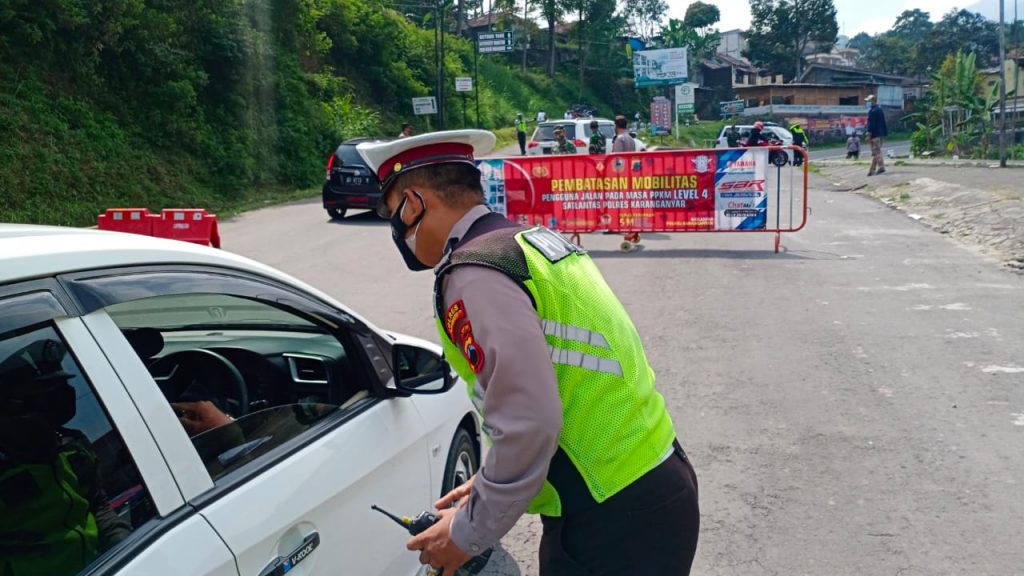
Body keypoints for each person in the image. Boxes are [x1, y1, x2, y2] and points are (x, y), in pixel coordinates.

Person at [355, 129, 699, 576]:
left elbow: (529, 421)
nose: (396, 230)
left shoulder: (474, 273)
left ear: (414, 203)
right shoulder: (533, 243)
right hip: (654, 482)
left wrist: (466, 534)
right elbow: (573, 382)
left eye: (392, 212)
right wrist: (487, 481)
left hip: (609, 519)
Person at [0, 339, 131, 576]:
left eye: (61, 391)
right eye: (46, 396)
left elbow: (98, 506)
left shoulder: (73, 447)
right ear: (10, 407)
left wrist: (123, 546)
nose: (61, 402)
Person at [865, 95, 888, 176]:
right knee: (875, 152)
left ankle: (881, 167)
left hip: (874, 135)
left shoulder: (873, 111)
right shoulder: (879, 110)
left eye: (868, 101)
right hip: (880, 134)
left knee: (876, 152)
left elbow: (871, 125)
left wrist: (868, 134)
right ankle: (872, 170)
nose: (867, 103)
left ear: (873, 101)